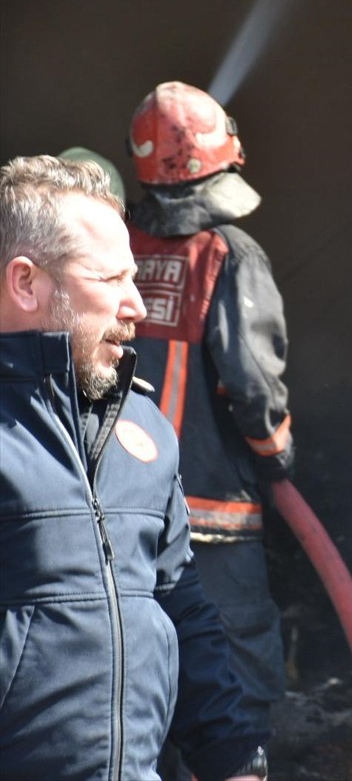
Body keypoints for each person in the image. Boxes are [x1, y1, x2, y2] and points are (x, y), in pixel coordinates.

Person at [0, 154, 269, 780]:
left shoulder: (142, 425)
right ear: (25, 282)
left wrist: (233, 758)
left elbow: (180, 604)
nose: (137, 306)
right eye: (111, 278)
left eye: (136, 279)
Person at [122, 81, 292, 765]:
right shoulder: (230, 253)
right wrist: (276, 458)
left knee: (145, 689)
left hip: (125, 517)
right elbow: (253, 385)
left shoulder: (114, 249)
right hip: (211, 522)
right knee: (232, 689)